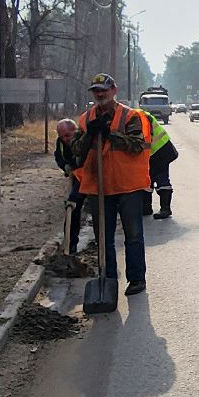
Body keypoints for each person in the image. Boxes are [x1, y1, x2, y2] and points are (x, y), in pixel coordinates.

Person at [70, 74, 152, 295]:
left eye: (104, 90)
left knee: (133, 235)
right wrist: (91, 134)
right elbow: (76, 149)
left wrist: (110, 134)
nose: (100, 94)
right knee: (103, 237)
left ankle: (136, 279)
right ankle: (108, 278)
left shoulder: (130, 116)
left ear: (114, 90)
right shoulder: (87, 119)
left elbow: (137, 145)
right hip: (99, 186)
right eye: (96, 90)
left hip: (127, 186)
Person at [54, 118, 87, 251]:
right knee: (73, 210)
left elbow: (87, 171)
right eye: (62, 137)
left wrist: (74, 196)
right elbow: (58, 156)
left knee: (74, 202)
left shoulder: (84, 140)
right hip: (76, 175)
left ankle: (101, 243)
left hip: (90, 176)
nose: (65, 139)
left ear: (76, 131)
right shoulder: (61, 143)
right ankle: (70, 244)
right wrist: (65, 166)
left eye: (68, 135)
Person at [144, 110, 180, 219]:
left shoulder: (134, 119)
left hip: (160, 152)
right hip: (159, 150)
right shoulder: (138, 115)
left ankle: (165, 209)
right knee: (147, 180)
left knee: (160, 179)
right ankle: (146, 208)